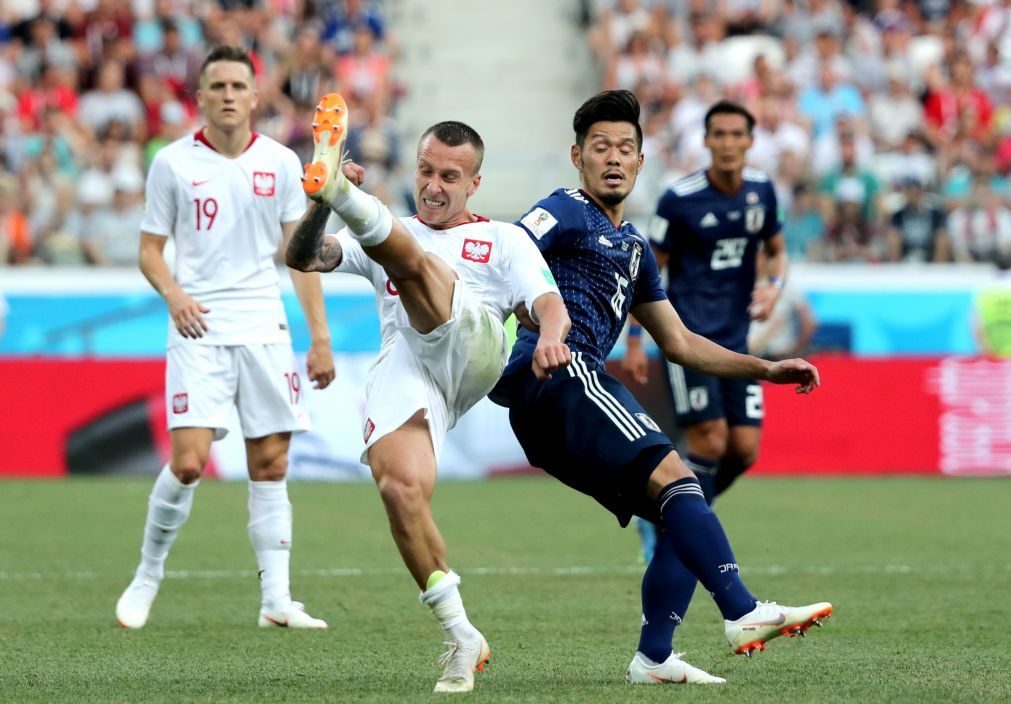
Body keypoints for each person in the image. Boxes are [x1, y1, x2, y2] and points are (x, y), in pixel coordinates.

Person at [492, 90, 831, 685]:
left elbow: (680, 342)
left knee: (681, 503)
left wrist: (765, 369)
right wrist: (535, 320)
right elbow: (508, 250)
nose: (614, 157)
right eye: (601, 147)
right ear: (578, 157)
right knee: (680, 477)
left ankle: (654, 657)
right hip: (559, 374)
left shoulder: (635, 249)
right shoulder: (566, 208)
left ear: (642, 161)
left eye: (626, 147)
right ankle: (743, 610)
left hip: (554, 406)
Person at [285, 94, 570, 693]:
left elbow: (549, 304)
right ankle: (464, 636)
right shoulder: (389, 232)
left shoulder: (504, 239)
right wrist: (319, 207)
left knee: (421, 269)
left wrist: (548, 338)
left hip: (476, 348)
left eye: (449, 176)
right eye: (425, 171)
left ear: (474, 183)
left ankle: (339, 186)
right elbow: (303, 255)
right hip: (411, 366)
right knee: (398, 488)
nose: (433, 187)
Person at [115, 46, 336, 631]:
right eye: (218, 86)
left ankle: (277, 601)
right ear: (202, 97)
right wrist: (175, 295)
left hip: (264, 324)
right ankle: (147, 575)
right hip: (199, 325)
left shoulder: (284, 164)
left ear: (256, 95)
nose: (230, 94)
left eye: (240, 84)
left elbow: (303, 256)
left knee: (270, 462)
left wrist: (319, 338)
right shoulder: (172, 163)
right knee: (188, 462)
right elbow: (148, 250)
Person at [625, 100, 788, 513]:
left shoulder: (761, 191)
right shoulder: (680, 199)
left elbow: (777, 250)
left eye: (737, 134)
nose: (728, 143)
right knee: (710, 438)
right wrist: (633, 340)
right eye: (720, 134)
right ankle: (688, 525)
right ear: (707, 140)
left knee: (744, 449)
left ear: (751, 141)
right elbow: (645, 272)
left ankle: (673, 510)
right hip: (688, 340)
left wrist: (772, 286)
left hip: (736, 342)